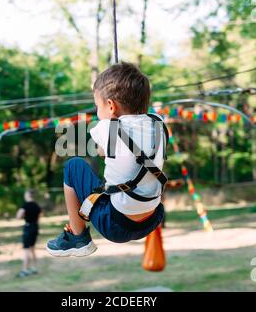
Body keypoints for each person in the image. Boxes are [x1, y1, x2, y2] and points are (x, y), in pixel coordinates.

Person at [47, 62, 168, 257]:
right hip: (153, 218)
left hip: (115, 224)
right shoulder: (159, 124)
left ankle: (78, 238)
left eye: (97, 106)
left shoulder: (106, 128)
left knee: (73, 166)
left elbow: (102, 151)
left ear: (110, 106)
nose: (97, 112)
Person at [16, 190, 42, 277]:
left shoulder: (25, 205)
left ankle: (24, 270)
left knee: (26, 249)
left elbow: (18, 216)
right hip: (35, 227)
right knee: (33, 248)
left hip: (28, 227)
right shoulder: (37, 206)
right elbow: (39, 218)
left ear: (27, 195)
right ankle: (34, 268)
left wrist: (24, 216)